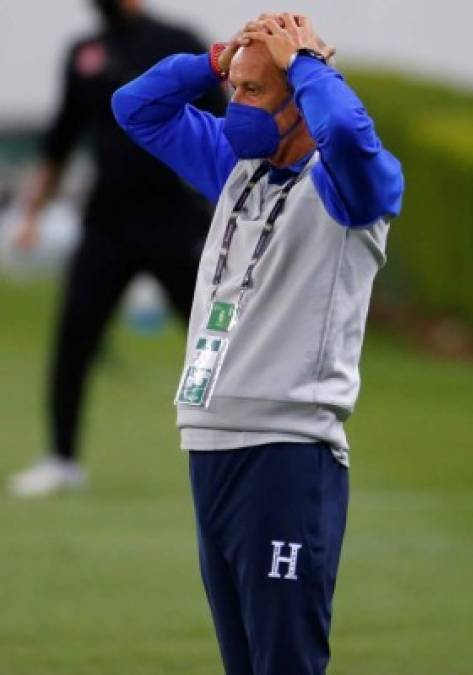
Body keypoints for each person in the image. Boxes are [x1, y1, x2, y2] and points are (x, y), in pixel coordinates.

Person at [112, 12, 404, 674]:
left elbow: (352, 137)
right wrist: (220, 58)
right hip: (209, 444)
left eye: (253, 92)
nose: (234, 106)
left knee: (285, 663)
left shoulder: (347, 189)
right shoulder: (238, 167)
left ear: (301, 104)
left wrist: (307, 65)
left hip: (285, 453)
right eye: (233, 90)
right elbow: (135, 108)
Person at [7, 0, 226, 497]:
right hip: (106, 223)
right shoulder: (84, 52)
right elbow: (60, 140)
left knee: (215, 339)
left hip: (174, 217)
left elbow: (221, 124)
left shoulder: (175, 39)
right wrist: (31, 214)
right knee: (74, 339)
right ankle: (61, 459)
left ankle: (242, 443)